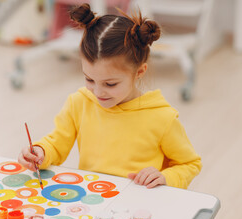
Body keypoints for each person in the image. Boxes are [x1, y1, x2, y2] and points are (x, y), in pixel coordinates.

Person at [18, 3, 201, 189]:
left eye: (110, 84)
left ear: (139, 72)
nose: (98, 92)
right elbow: (56, 144)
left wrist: (166, 177)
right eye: (89, 79)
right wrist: (40, 151)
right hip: (92, 201)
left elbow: (189, 164)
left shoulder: (163, 118)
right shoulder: (79, 103)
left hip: (137, 207)